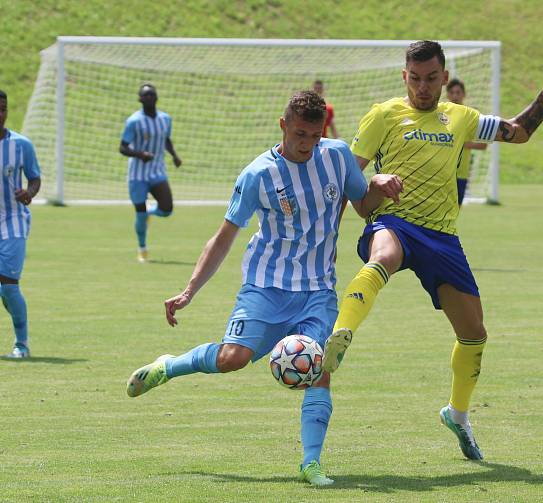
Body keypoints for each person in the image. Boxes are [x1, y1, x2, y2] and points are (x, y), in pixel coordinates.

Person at [125, 91, 402, 486]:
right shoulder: (257, 174)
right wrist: (189, 291)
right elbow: (223, 238)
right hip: (266, 286)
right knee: (232, 358)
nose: (306, 143)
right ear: (283, 125)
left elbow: (362, 203)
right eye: (299, 134)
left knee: (318, 368)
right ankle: (169, 365)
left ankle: (312, 463)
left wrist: (377, 181)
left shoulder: (337, 155)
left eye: (314, 135)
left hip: (317, 289)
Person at [321, 41, 543, 460]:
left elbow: (520, 132)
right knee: (382, 256)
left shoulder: (461, 117)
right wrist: (372, 188)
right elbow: (348, 174)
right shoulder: (383, 115)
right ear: (405, 77)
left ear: (444, 77)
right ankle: (339, 334)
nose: (423, 87)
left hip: (442, 237)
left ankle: (457, 414)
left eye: (432, 78)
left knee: (474, 334)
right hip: (394, 221)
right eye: (415, 79)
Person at [119, 84, 182, 263]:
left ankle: (150, 213)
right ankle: (142, 248)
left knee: (167, 209)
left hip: (157, 171)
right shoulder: (134, 121)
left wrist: (175, 156)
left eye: (151, 94)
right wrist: (140, 154)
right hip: (137, 175)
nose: (148, 98)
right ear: (140, 99)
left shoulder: (165, 119)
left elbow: (166, 140)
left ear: (156, 97)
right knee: (139, 211)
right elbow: (122, 147)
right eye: (145, 95)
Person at [0, 90, 41, 359]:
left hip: (12, 222)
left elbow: (34, 178)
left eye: (3, 108)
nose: (0, 114)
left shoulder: (21, 144)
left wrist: (29, 193)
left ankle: (21, 343)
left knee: (7, 285)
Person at [446, 78, 488, 206]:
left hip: (461, 174)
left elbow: (483, 144)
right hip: (444, 173)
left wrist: (461, 143)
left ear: (464, 94)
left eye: (458, 92)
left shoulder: (470, 117)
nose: (455, 96)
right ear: (447, 95)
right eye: (452, 92)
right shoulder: (442, 115)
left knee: (456, 211)